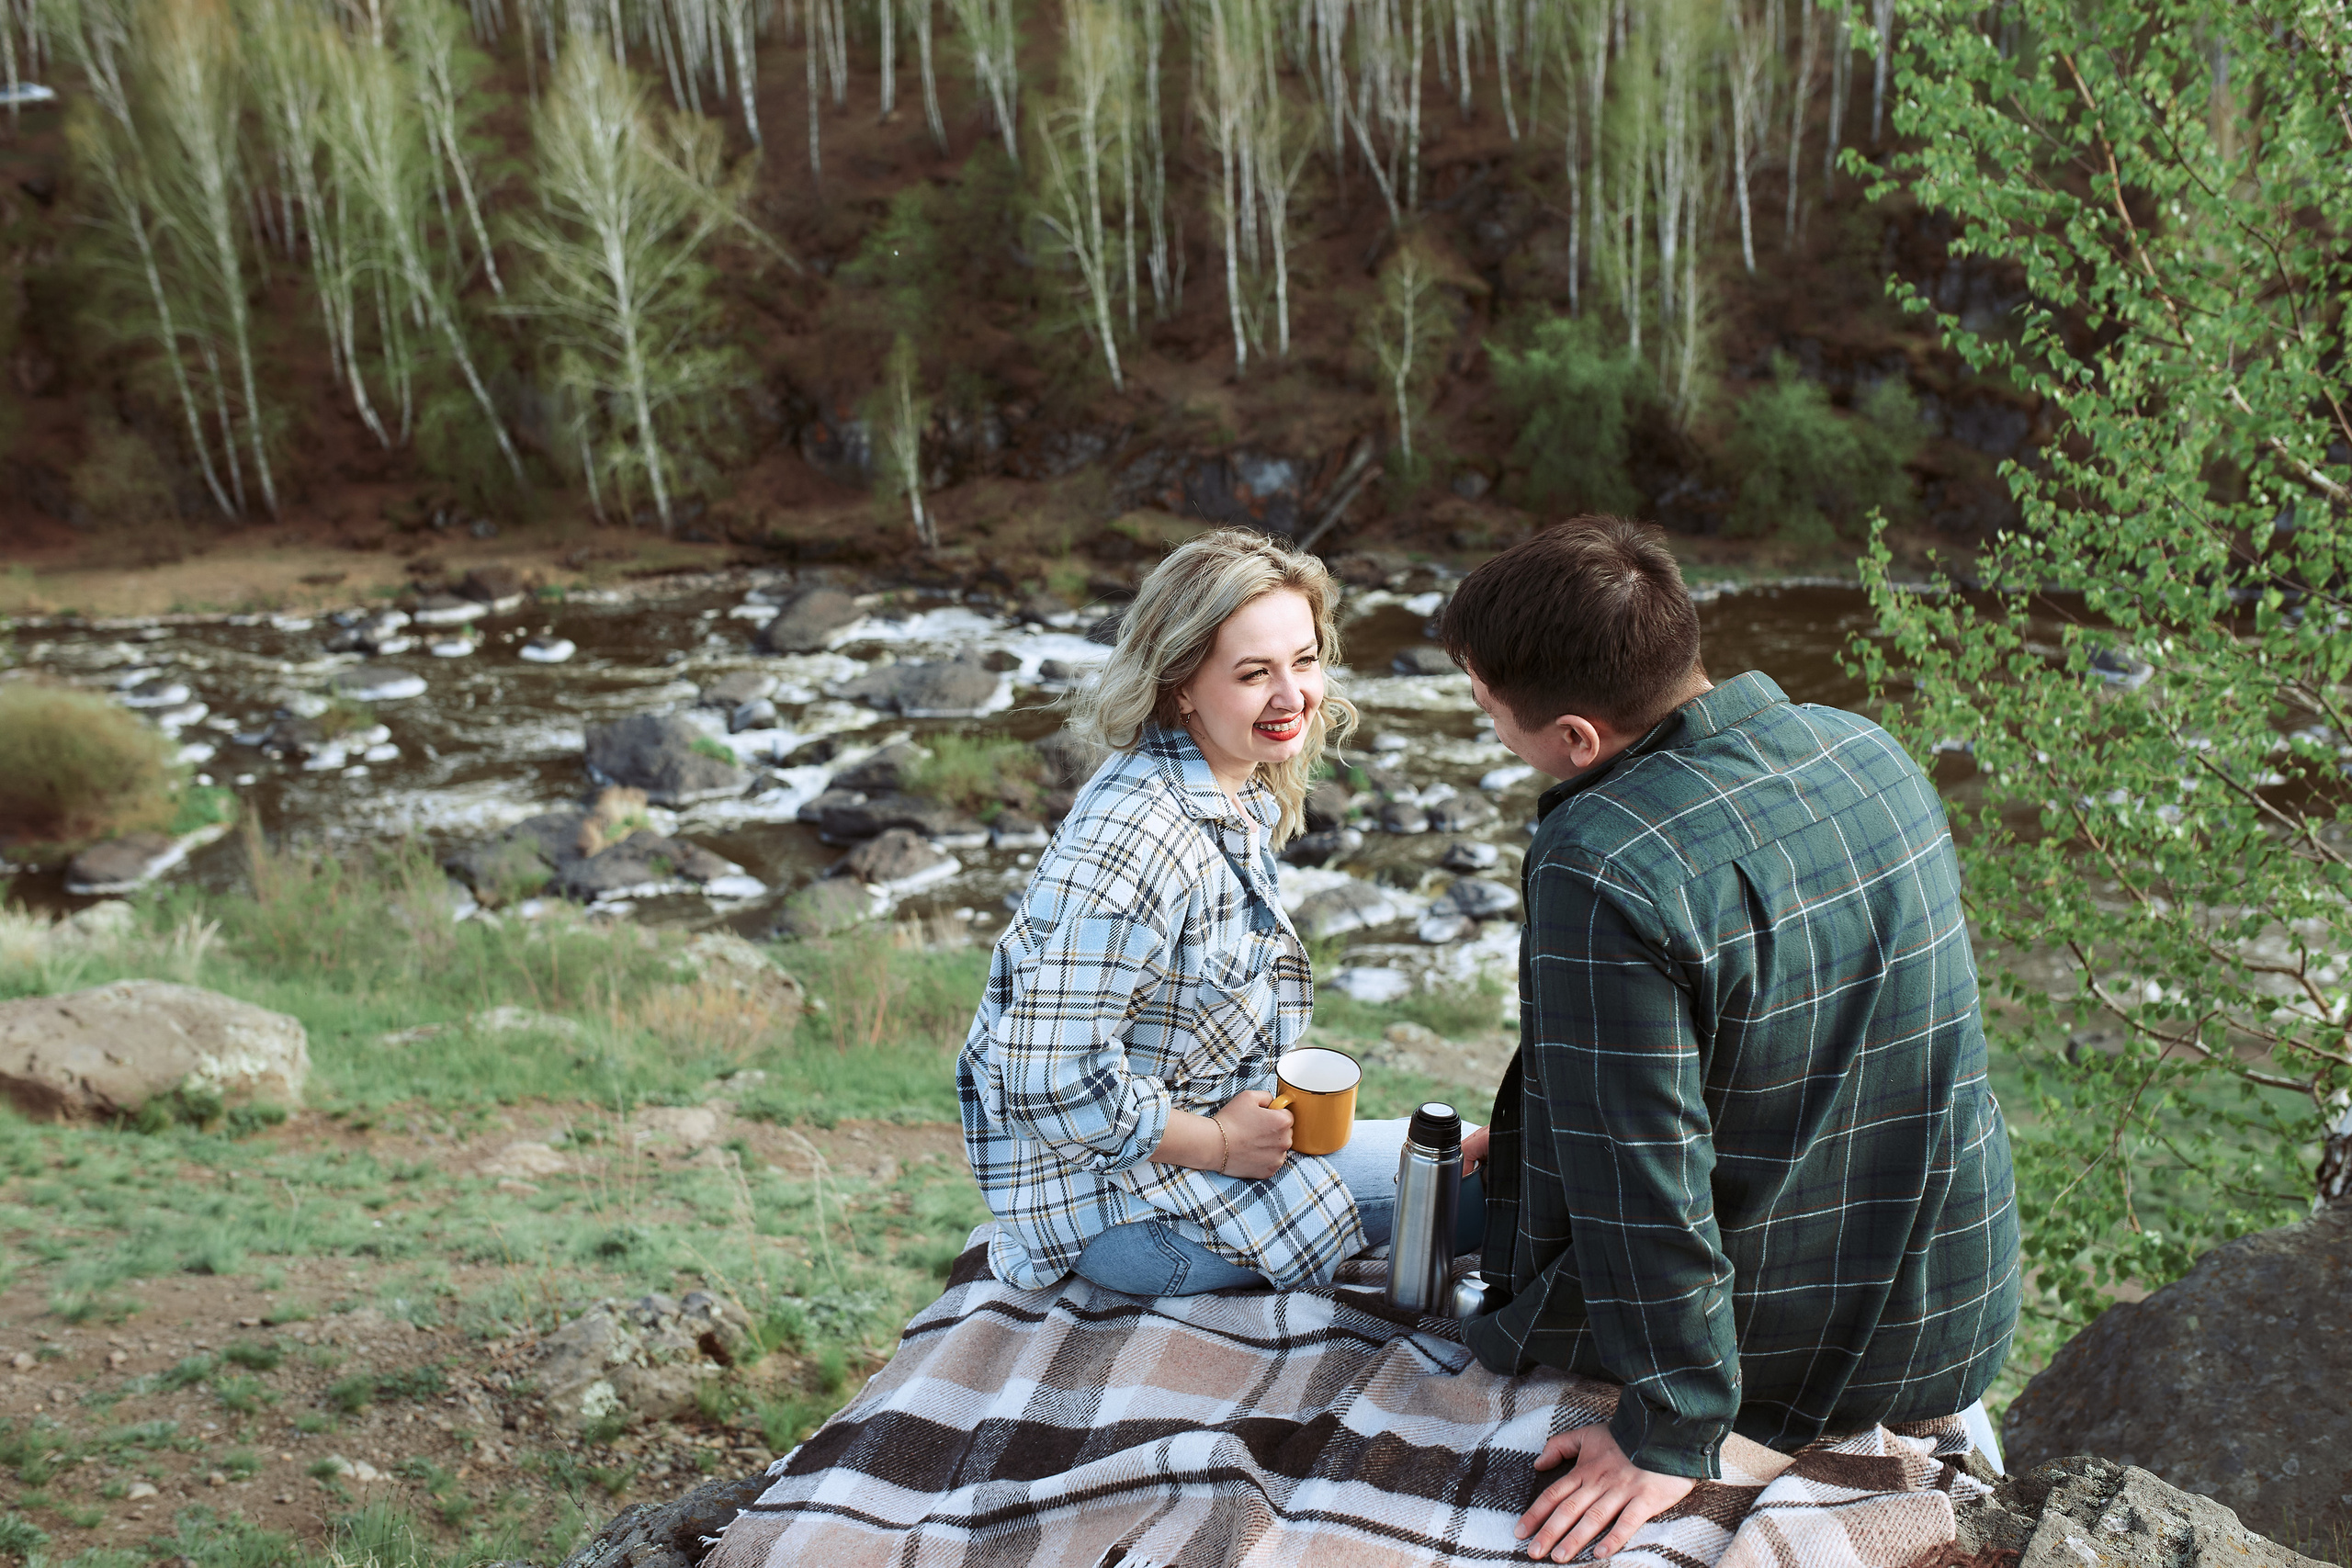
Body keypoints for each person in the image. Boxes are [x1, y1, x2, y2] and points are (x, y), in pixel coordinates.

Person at [1440, 518, 2020, 1563]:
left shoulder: (1597, 859)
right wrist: (1533, 1142)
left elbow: (1642, 1177)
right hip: (1957, 1310)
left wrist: (1671, 1431)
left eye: (1487, 708)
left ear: (1575, 738)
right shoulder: (1864, 745)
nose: (1489, 726)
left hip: (1796, 1362)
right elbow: (1794, 1039)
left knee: (1407, 1218)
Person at [956, 528, 1481, 1295]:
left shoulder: (1221, 784)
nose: (1293, 695)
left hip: (1166, 1166)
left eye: (1304, 660)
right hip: (1123, 1214)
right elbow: (1042, 1079)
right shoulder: (1138, 838)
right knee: (1478, 1191)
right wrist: (1220, 1143)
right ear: (1179, 684)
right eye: (1252, 673)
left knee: (1464, 1152)